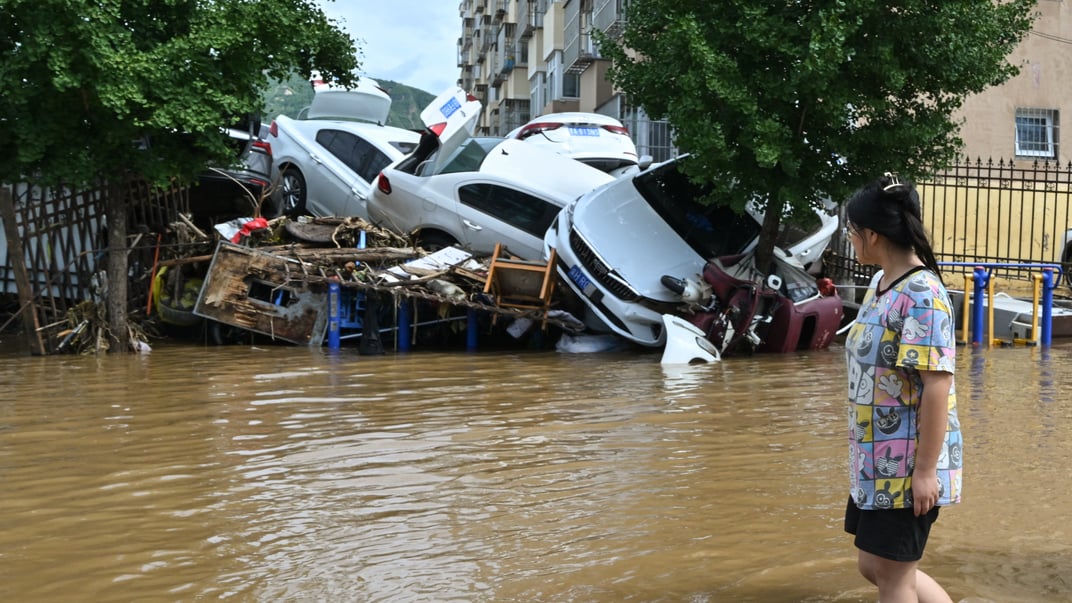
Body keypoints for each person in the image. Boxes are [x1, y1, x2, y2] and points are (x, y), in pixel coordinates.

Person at [842, 173, 963, 603]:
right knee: (873, 566)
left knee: (893, 576)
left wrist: (925, 473)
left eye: (851, 231)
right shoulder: (880, 285)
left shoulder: (922, 296)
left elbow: (937, 386)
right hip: (875, 460)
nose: (850, 238)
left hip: (907, 465)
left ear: (872, 235)